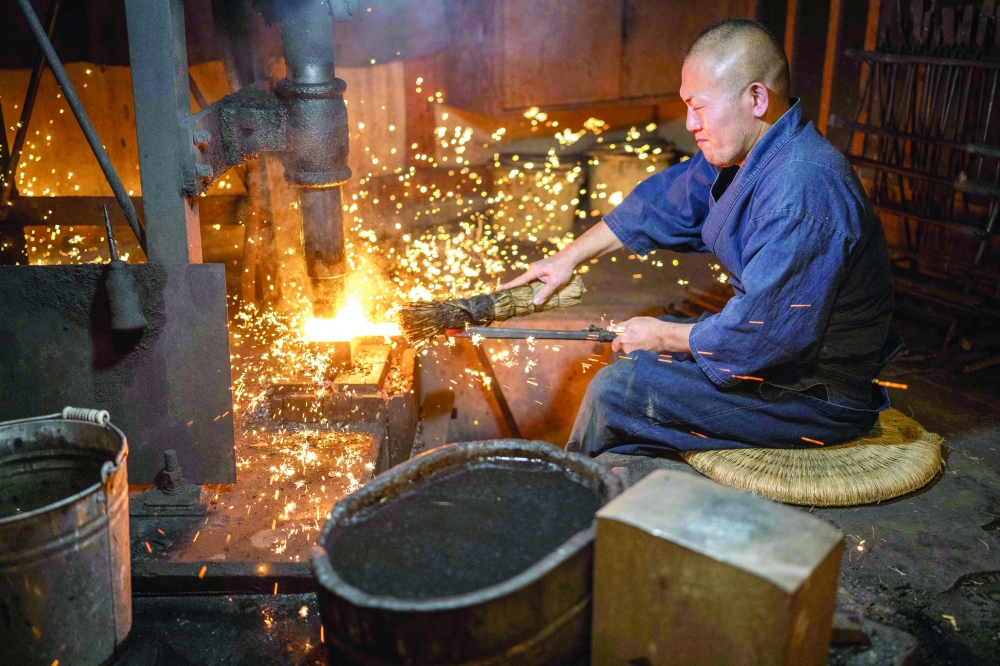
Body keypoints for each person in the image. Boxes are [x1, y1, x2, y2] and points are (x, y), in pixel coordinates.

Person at [500, 18, 898, 457]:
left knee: (618, 390)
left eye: (699, 106)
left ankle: (578, 499)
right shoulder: (750, 150)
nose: (690, 123)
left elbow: (763, 336)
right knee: (636, 354)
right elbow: (663, 203)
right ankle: (628, 481)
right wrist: (567, 258)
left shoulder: (802, 192)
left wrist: (665, 337)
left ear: (756, 98)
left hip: (814, 394)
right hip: (777, 361)